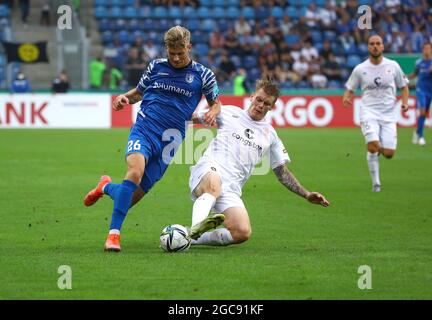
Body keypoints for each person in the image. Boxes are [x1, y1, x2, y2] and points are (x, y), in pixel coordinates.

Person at [83, 26, 221, 252]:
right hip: (145, 128)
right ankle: (113, 236)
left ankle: (105, 187)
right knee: (135, 172)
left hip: (171, 141)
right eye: (171, 52)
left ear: (189, 47)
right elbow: (138, 92)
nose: (176, 58)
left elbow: (216, 102)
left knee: (129, 198)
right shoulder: (156, 66)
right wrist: (124, 98)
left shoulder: (203, 74)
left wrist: (214, 111)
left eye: (181, 53)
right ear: (166, 48)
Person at [187, 79, 330, 246]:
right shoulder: (227, 113)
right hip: (208, 171)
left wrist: (306, 194)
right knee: (214, 184)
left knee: (242, 232)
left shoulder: (270, 135)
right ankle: (196, 225)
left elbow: (282, 173)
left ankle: (192, 238)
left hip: (231, 188)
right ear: (252, 97)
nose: (261, 105)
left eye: (266, 103)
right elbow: (192, 117)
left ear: (272, 107)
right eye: (259, 100)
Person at [343, 35, 409, 192]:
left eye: (378, 44)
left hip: (388, 114)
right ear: (368, 47)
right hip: (368, 112)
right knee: (372, 147)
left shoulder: (393, 66)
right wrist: (346, 97)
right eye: (372, 44)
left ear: (383, 46)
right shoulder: (360, 69)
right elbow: (350, 88)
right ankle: (376, 183)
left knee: (389, 154)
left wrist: (405, 103)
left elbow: (404, 86)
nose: (375, 46)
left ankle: (377, 145)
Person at [409, 42, 432, 146]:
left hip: (430, 91)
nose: (427, 50)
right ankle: (421, 137)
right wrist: (404, 78)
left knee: (425, 113)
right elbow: (415, 74)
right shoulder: (418, 63)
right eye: (425, 48)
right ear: (423, 50)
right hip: (421, 90)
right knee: (422, 112)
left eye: (428, 48)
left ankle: (417, 132)